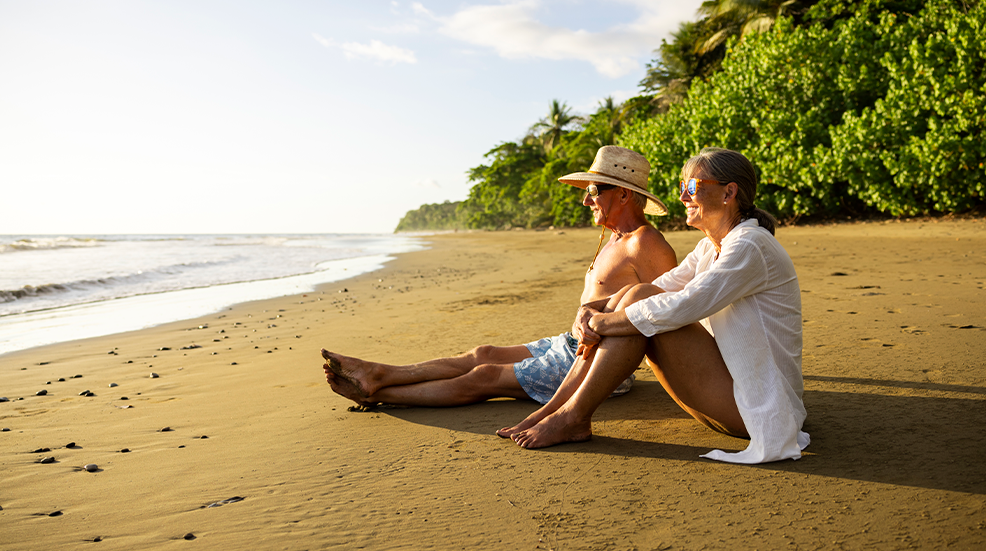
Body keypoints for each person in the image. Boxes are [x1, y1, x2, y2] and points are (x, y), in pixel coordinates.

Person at [498, 147, 809, 464]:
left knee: (639, 301)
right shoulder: (709, 248)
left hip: (762, 406)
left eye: (692, 188)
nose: (683, 198)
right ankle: (558, 410)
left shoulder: (750, 245)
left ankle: (571, 416)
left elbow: (686, 304)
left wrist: (602, 323)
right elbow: (663, 286)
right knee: (638, 294)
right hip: (729, 395)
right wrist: (591, 310)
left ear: (729, 192)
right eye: (682, 188)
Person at [321, 146, 678, 409]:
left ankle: (379, 393)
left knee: (485, 376)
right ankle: (380, 373)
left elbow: (665, 313)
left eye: (594, 190)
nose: (587, 200)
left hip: (595, 363)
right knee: (483, 353)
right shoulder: (615, 238)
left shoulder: (646, 244)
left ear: (625, 194)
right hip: (567, 344)